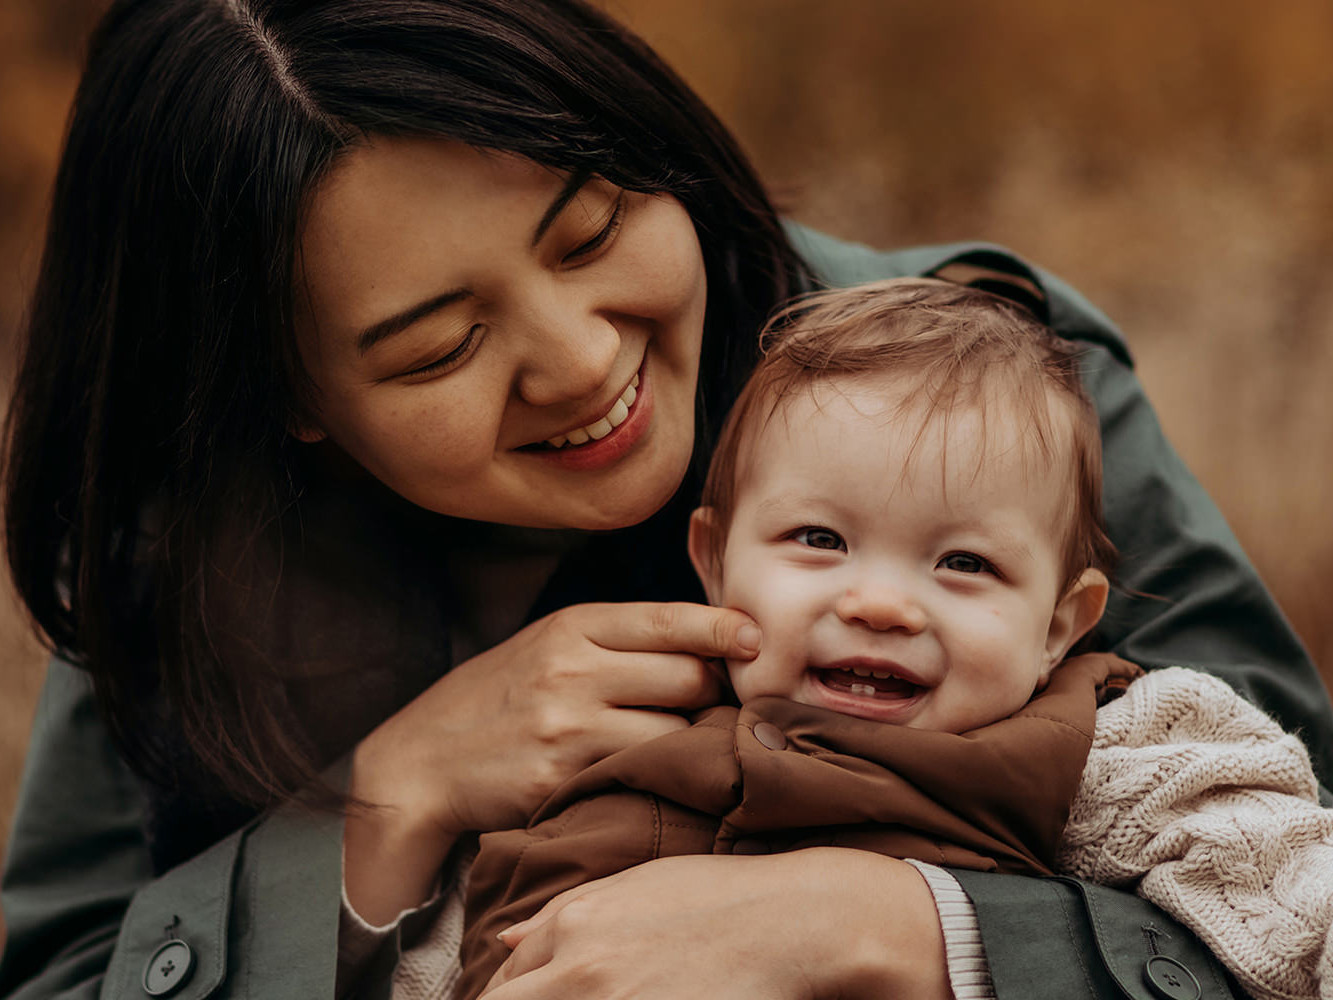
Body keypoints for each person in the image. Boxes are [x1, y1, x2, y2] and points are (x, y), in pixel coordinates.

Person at [0, 1, 1329, 998]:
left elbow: (1292, 870)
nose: (584, 359)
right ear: (282, 397)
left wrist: (897, 929)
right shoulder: (178, 540)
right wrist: (389, 806)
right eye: (438, 348)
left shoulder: (977, 395)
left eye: (590, 231)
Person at [454, 278, 1333, 1000]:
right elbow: (453, 955)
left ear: (1057, 627)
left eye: (961, 562)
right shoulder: (616, 745)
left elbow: (1297, 898)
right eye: (819, 541)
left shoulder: (1113, 754)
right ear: (714, 562)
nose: (879, 604)